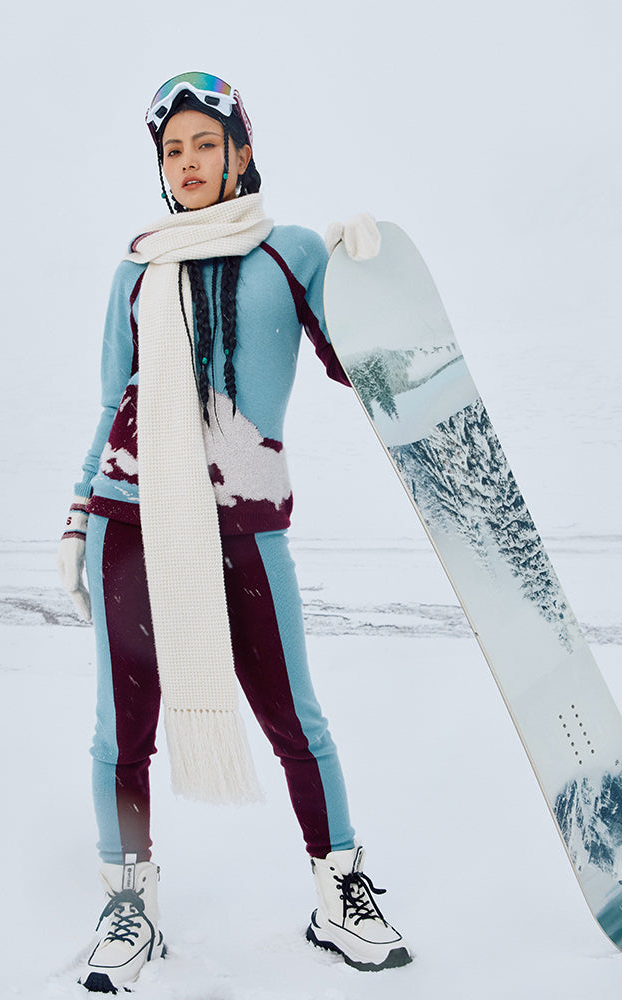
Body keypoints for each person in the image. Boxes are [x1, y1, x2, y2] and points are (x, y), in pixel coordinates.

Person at [57, 71, 410, 993]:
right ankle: (129, 902)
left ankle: (339, 891)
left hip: (245, 520)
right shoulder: (137, 271)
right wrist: (76, 517)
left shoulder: (290, 252)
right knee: (122, 727)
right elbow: (112, 402)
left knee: (295, 715)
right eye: (172, 149)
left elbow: (353, 362)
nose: (187, 162)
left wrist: (365, 280)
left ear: (240, 152)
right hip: (130, 518)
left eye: (205, 144)